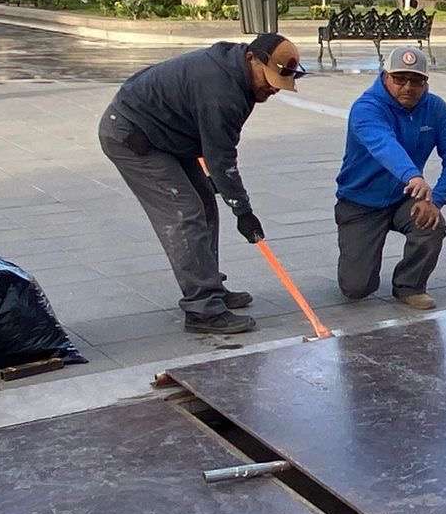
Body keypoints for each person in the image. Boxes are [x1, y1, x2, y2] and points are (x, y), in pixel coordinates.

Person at [99, 34, 306, 334]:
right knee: (185, 213)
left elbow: (217, 150)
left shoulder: (238, 75)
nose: (273, 88)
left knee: (205, 201)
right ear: (251, 58)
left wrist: (223, 186)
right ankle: (203, 309)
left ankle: (210, 288)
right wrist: (243, 211)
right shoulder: (222, 90)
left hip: (166, 133)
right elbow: (221, 157)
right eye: (270, 79)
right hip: (133, 134)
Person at [335, 46, 446, 309]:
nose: (408, 87)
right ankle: (359, 255)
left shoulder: (436, 109)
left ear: (425, 82)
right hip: (360, 201)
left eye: (416, 81)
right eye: (399, 79)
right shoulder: (366, 108)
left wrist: (436, 200)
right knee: (356, 288)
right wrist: (412, 175)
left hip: (403, 197)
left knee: (432, 223)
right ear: (385, 76)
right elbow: (383, 144)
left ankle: (410, 285)